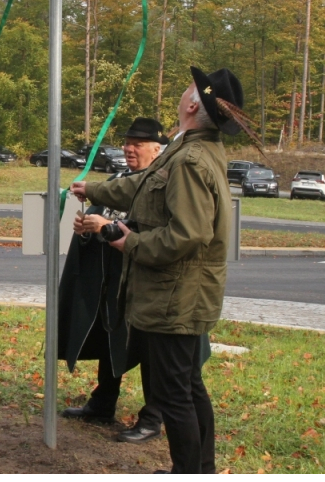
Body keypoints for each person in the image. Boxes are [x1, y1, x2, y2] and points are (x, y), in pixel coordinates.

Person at [71, 67, 256, 474]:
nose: (183, 91)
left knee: (173, 394)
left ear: (193, 104)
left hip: (177, 296)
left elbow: (187, 234)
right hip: (183, 293)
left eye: (188, 88)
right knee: (188, 386)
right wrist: (95, 190)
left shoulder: (190, 159)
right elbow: (143, 187)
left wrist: (123, 240)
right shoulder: (189, 147)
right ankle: (199, 470)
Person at [58, 118, 167, 444]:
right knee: (109, 339)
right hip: (111, 281)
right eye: (127, 142)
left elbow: (159, 233)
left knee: (150, 349)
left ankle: (153, 418)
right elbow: (101, 215)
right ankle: (103, 403)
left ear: (156, 149)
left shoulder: (163, 182)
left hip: (147, 280)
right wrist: (87, 231)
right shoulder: (120, 178)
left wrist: (106, 227)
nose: (129, 149)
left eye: (138, 144)